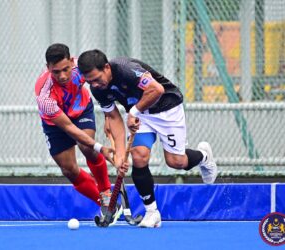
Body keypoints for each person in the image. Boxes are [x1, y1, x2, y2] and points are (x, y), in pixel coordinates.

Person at [78, 49, 218, 228]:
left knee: (176, 162)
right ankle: (152, 212)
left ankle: (203, 156)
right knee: (139, 156)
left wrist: (134, 111)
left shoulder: (125, 69)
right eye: (90, 81)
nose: (95, 85)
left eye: (97, 79)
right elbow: (113, 118)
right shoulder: (98, 90)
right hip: (141, 115)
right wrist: (120, 154)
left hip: (167, 107)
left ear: (106, 67)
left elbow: (156, 89)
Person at [34, 44, 122, 224]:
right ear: (48, 68)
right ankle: (109, 205)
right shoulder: (45, 96)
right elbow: (69, 129)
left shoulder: (80, 69)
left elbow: (101, 85)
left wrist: (108, 116)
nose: (63, 76)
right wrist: (101, 148)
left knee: (87, 147)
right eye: (56, 72)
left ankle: (106, 193)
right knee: (69, 169)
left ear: (72, 61)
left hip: (81, 110)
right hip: (56, 124)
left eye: (66, 69)